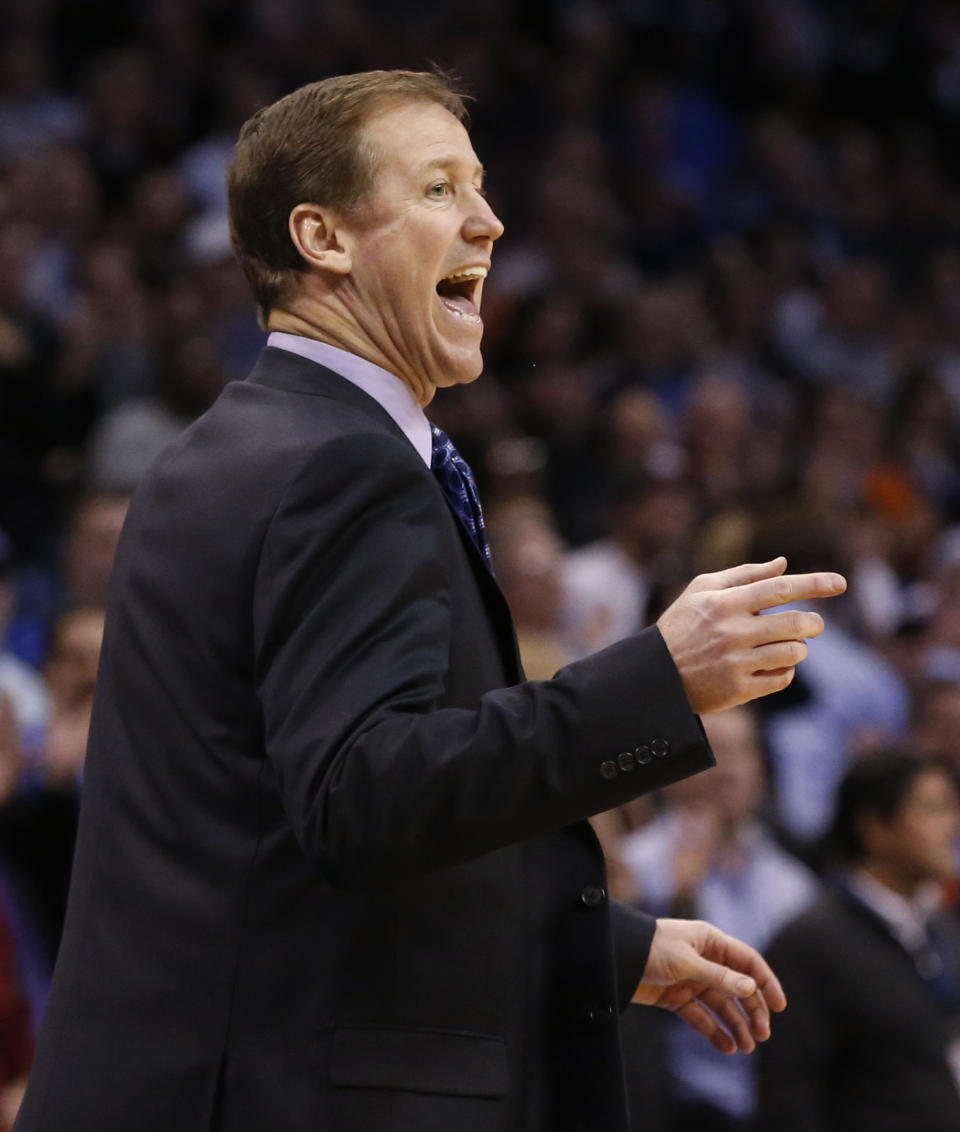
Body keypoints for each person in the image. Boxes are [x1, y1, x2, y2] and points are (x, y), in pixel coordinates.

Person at [14, 71, 845, 1132]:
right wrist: (658, 679)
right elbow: (366, 796)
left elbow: (277, 835)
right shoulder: (339, 467)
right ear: (324, 237)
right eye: (440, 189)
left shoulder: (226, 449)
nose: (490, 222)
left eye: (481, 187)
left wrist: (601, 943)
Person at [620, 707, 820, 1130]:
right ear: (673, 765)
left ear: (760, 769)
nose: (724, 770)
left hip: (773, 1106)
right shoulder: (632, 867)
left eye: (739, 752)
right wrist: (678, 898)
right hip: (665, 1106)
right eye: (710, 749)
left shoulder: (795, 883)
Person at [756, 749, 960, 1132]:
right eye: (932, 809)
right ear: (875, 827)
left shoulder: (942, 927)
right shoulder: (809, 944)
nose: (951, 826)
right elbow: (789, 1099)